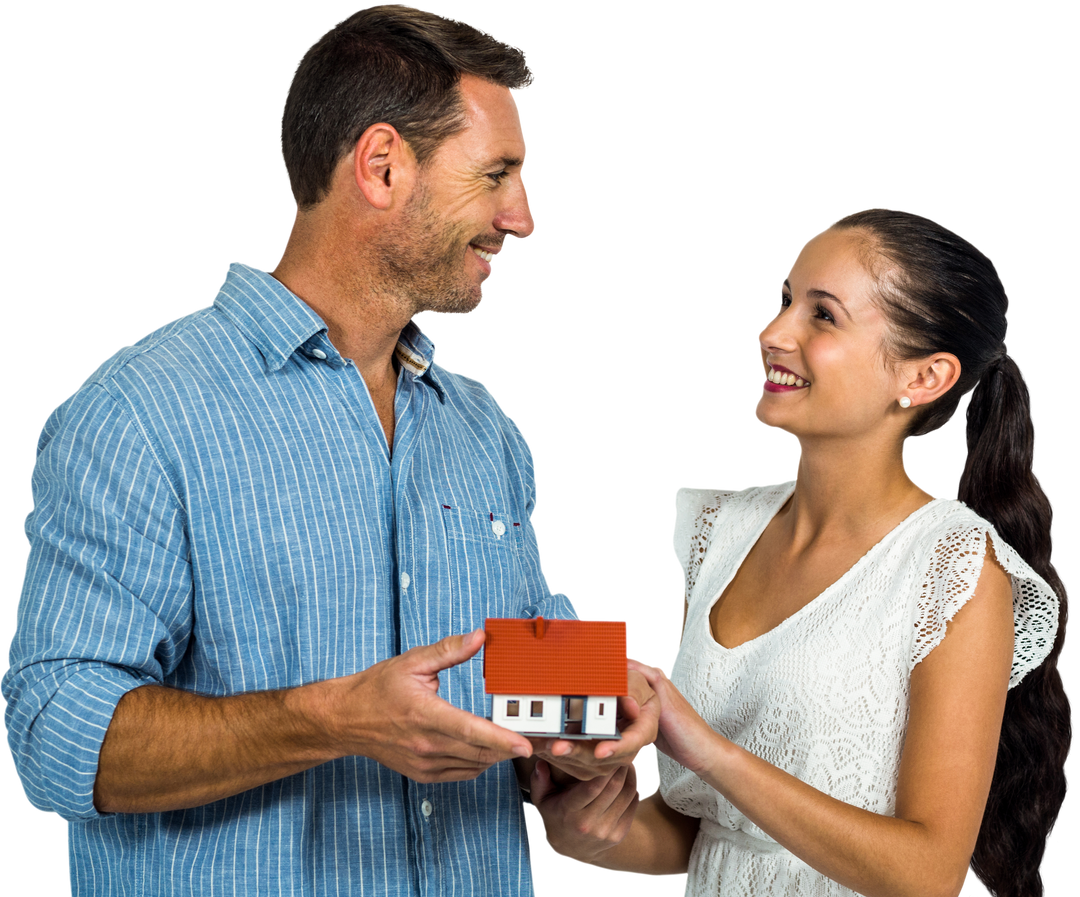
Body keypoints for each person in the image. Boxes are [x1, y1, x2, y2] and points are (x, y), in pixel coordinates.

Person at [2, 4, 656, 895]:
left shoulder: (483, 424)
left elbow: (523, 668)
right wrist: (335, 719)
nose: (525, 217)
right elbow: (54, 734)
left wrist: (595, 722)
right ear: (382, 166)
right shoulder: (139, 412)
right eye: (498, 174)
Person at [529, 207, 1073, 896]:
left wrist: (705, 746)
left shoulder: (957, 567)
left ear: (926, 376)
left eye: (823, 316)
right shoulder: (717, 529)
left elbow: (928, 873)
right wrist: (587, 831)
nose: (772, 332)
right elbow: (704, 834)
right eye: (785, 300)